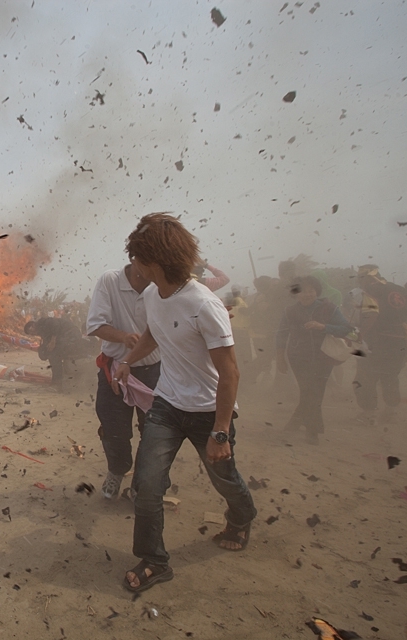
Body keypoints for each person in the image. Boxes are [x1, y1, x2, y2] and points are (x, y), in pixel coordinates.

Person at [113, 213, 255, 593]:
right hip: (167, 405)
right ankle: (155, 561)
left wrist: (221, 433)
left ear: (154, 264)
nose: (134, 267)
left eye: (138, 260)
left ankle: (242, 517)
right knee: (145, 487)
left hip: (210, 412)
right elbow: (152, 334)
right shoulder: (151, 295)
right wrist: (126, 361)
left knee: (224, 478)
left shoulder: (204, 305)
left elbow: (231, 374)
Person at [86, 262, 160, 499]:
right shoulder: (110, 280)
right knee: (113, 428)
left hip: (154, 372)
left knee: (153, 432)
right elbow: (96, 325)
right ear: (135, 258)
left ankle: (141, 483)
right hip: (115, 370)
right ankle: (117, 470)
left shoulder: (162, 283)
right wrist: (124, 337)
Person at [275, 276, 353, 444]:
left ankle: (303, 427)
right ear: (295, 293)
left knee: (314, 393)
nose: (307, 294)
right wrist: (280, 357)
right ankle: (305, 427)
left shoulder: (329, 309)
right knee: (309, 391)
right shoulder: (289, 311)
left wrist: (324, 327)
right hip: (297, 357)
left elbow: (346, 329)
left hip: (323, 357)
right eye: (302, 291)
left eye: (311, 290)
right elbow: (281, 334)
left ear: (317, 292)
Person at [352, 265, 407, 425]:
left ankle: (369, 413)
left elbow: (371, 315)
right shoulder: (400, 290)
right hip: (399, 340)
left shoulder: (371, 291)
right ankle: (391, 412)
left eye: (360, 279)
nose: (359, 282)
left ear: (367, 278)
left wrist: (360, 335)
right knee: (390, 375)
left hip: (376, 341)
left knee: (365, 376)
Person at [23, 316, 92, 390]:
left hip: (71, 335)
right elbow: (46, 345)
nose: (32, 334)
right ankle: (58, 380)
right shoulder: (43, 333)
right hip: (67, 337)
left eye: (30, 331)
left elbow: (55, 324)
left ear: (33, 326)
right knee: (52, 354)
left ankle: (57, 382)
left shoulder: (42, 322)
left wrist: (53, 340)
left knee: (54, 356)